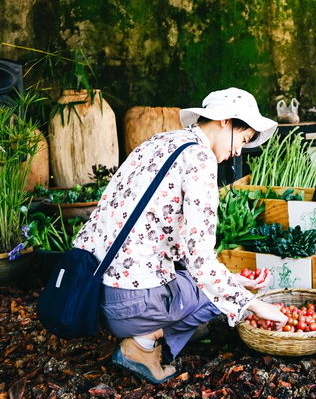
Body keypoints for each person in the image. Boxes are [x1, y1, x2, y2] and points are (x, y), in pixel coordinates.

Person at [73, 88, 288, 383]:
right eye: (244, 138)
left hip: (94, 290)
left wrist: (234, 281)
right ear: (225, 121)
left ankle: (162, 328)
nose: (239, 151)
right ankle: (143, 344)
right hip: (130, 304)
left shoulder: (160, 142)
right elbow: (201, 263)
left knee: (215, 287)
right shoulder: (200, 160)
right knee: (217, 299)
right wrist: (253, 303)